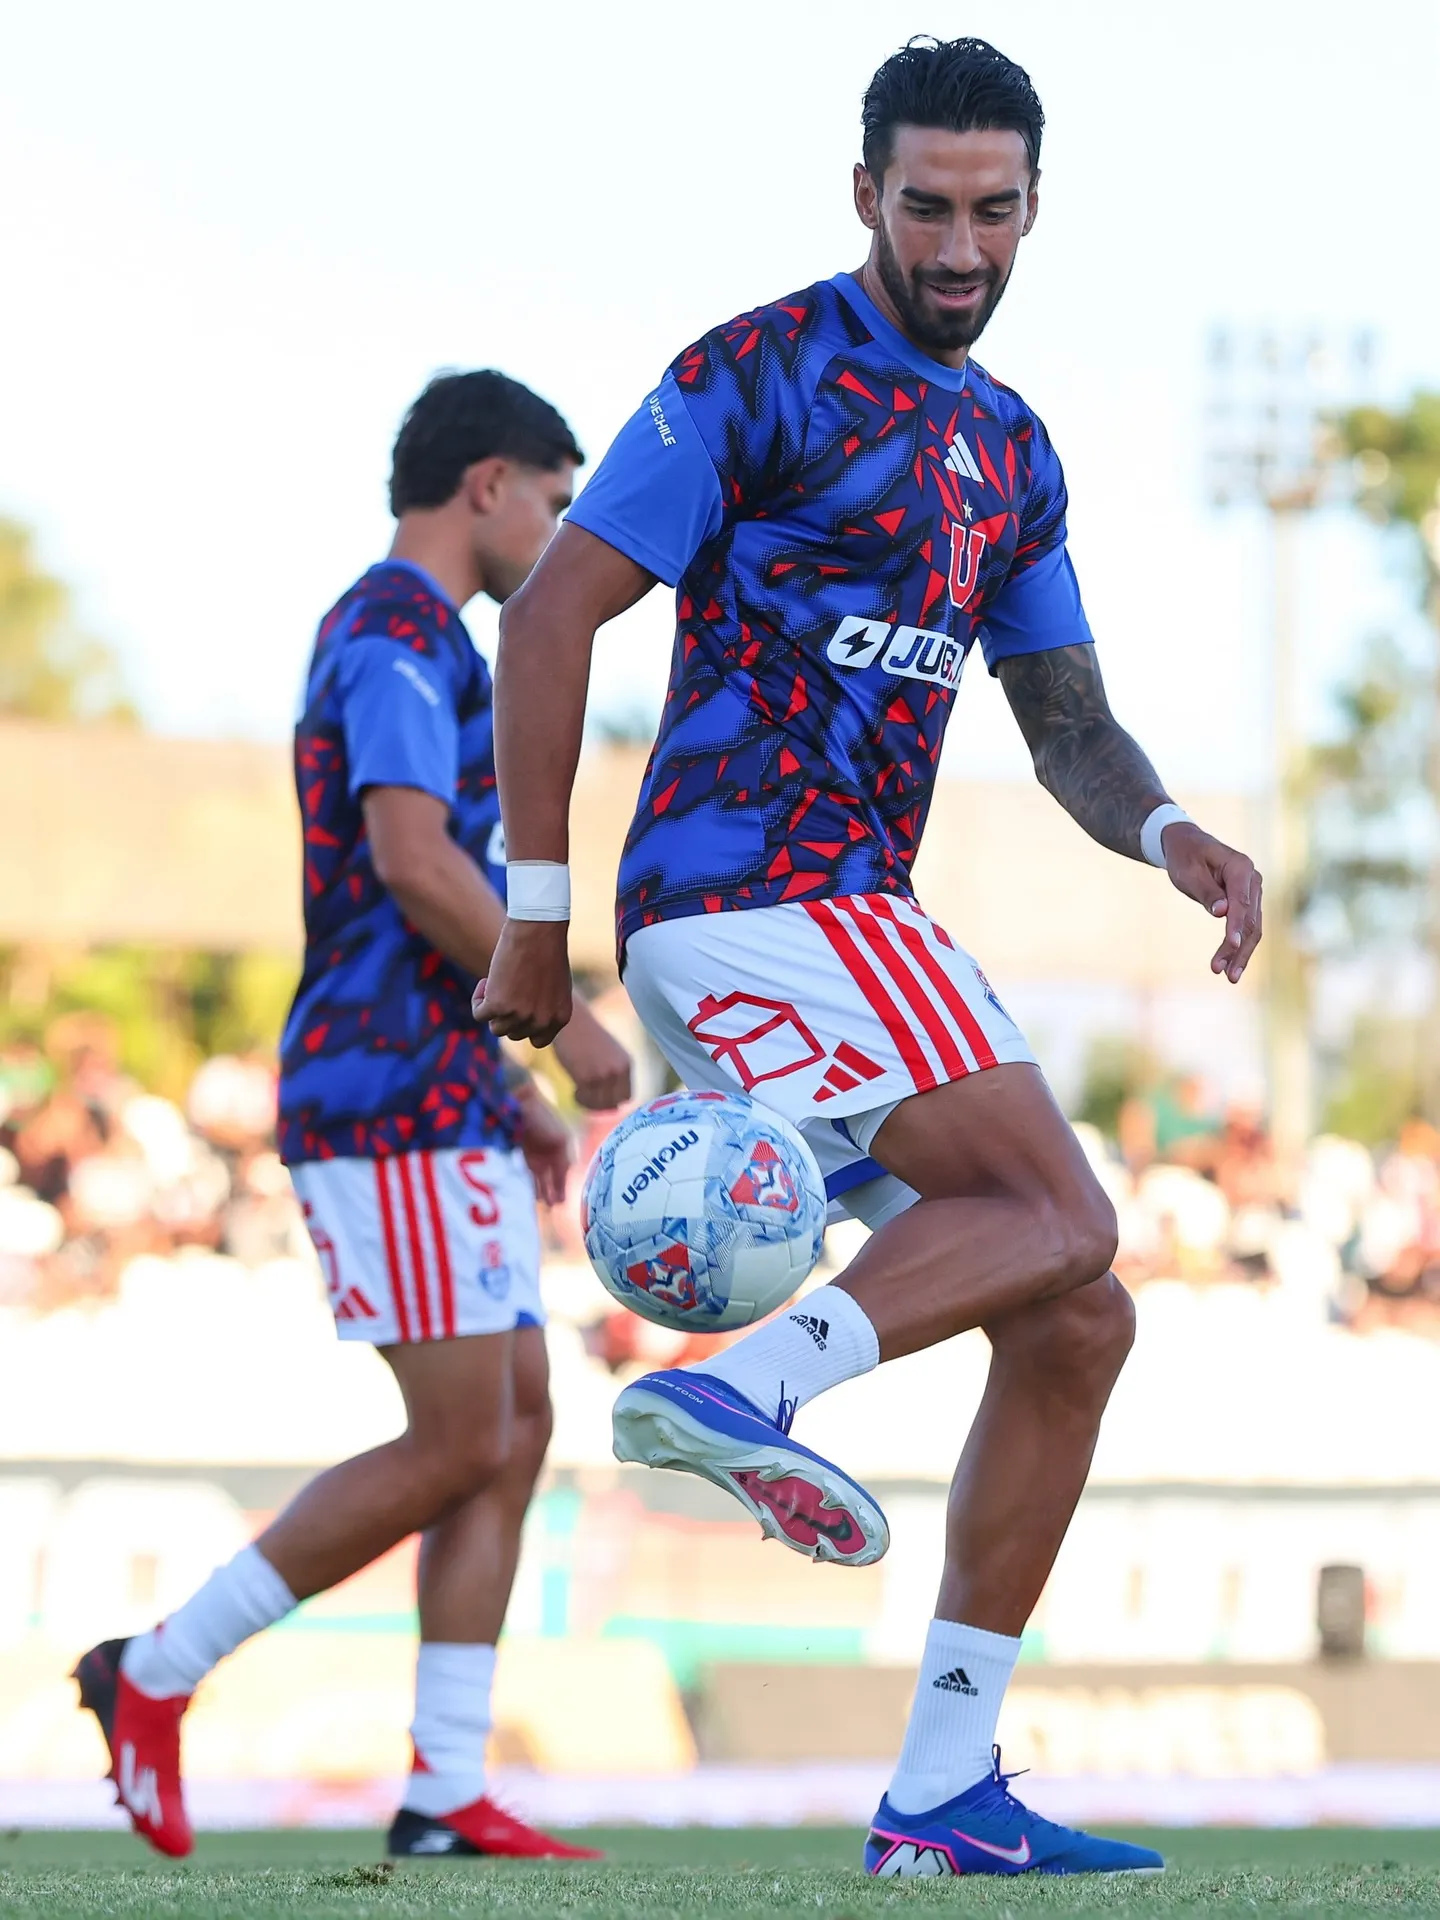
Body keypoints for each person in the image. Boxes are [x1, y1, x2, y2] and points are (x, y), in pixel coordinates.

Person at [477, 36, 1262, 1880]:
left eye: (996, 209)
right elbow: (552, 620)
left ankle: (938, 1798)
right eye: (929, 205)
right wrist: (533, 911)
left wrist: (1168, 835)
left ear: (1034, 208)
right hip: (761, 896)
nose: (963, 243)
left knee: (1079, 1317)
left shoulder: (1012, 454)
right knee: (1071, 1216)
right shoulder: (753, 373)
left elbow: (1068, 726)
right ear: (865, 199)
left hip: (852, 923)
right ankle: (742, 1390)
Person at [75, 371, 632, 1861]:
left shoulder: (420, 638)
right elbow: (411, 861)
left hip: (433, 1081)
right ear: (491, 486)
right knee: (462, 1436)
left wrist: (507, 1080)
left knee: (515, 1426)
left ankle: (446, 1788)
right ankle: (155, 1673)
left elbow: (425, 893)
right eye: (558, 502)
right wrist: (568, 1024)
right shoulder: (395, 631)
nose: (563, 534)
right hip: (382, 1090)